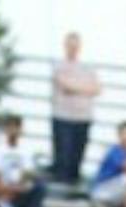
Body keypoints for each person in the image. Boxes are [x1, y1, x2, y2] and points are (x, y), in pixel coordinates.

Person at [48, 33, 99, 184]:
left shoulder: (87, 66)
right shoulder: (59, 65)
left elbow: (97, 89)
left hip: (83, 117)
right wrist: (84, 88)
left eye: (75, 45)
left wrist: (76, 87)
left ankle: (72, 186)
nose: (73, 48)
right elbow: (64, 85)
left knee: (77, 158)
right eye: (70, 45)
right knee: (63, 157)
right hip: (63, 116)